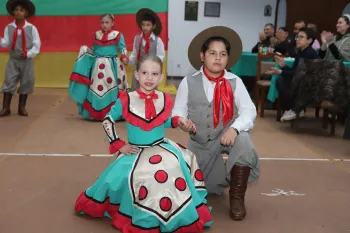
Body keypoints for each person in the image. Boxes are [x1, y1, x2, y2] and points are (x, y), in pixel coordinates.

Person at [74, 54, 213, 232]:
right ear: (137, 75)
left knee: (174, 169)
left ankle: (171, 214)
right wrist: (118, 144)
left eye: (155, 74)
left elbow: (165, 120)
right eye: (145, 73)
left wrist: (180, 122)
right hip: (135, 151)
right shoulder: (127, 98)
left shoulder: (165, 98)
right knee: (141, 177)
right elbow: (108, 120)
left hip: (162, 147)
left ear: (161, 78)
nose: (149, 78)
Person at [173, 26, 260, 221]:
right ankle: (219, 177)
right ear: (202, 56)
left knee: (244, 141)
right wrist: (182, 121)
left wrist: (235, 129)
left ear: (228, 59)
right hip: (201, 144)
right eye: (213, 53)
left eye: (223, 54)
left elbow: (249, 111)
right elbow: (178, 110)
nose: (218, 58)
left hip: (227, 136)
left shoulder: (235, 81)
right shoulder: (189, 82)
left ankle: (237, 198)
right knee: (207, 190)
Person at [68, 14, 129, 121]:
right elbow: (94, 49)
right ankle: (98, 113)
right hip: (98, 66)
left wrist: (124, 57)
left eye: (107, 22)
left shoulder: (117, 35)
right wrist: (85, 52)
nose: (104, 25)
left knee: (112, 88)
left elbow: (122, 47)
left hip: (112, 66)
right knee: (97, 87)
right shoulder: (96, 35)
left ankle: (113, 112)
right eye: (102, 22)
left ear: (112, 23)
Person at [266, 27, 319, 121]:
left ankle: (295, 108)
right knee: (281, 79)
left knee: (281, 80)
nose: (297, 39)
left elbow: (299, 73)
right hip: (301, 81)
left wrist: (281, 71)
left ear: (309, 40)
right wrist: (283, 66)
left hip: (310, 85)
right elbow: (295, 71)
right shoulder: (301, 52)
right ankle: (292, 108)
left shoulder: (309, 53)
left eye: (301, 37)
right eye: (297, 37)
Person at [0, 0, 40, 117]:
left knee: (26, 82)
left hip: (26, 61)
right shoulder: (9, 27)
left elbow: (36, 45)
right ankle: (5, 108)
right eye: (16, 10)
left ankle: (21, 108)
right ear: (13, 12)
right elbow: (6, 43)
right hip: (13, 60)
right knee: (9, 81)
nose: (18, 12)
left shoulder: (32, 28)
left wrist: (28, 54)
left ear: (26, 13)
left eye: (21, 10)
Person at [129, 8, 165, 91]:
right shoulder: (137, 38)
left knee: (150, 91)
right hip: (138, 70)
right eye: (143, 25)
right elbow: (134, 52)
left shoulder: (157, 41)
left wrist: (153, 66)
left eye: (148, 25)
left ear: (153, 26)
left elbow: (160, 57)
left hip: (150, 71)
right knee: (136, 91)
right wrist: (129, 61)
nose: (145, 27)